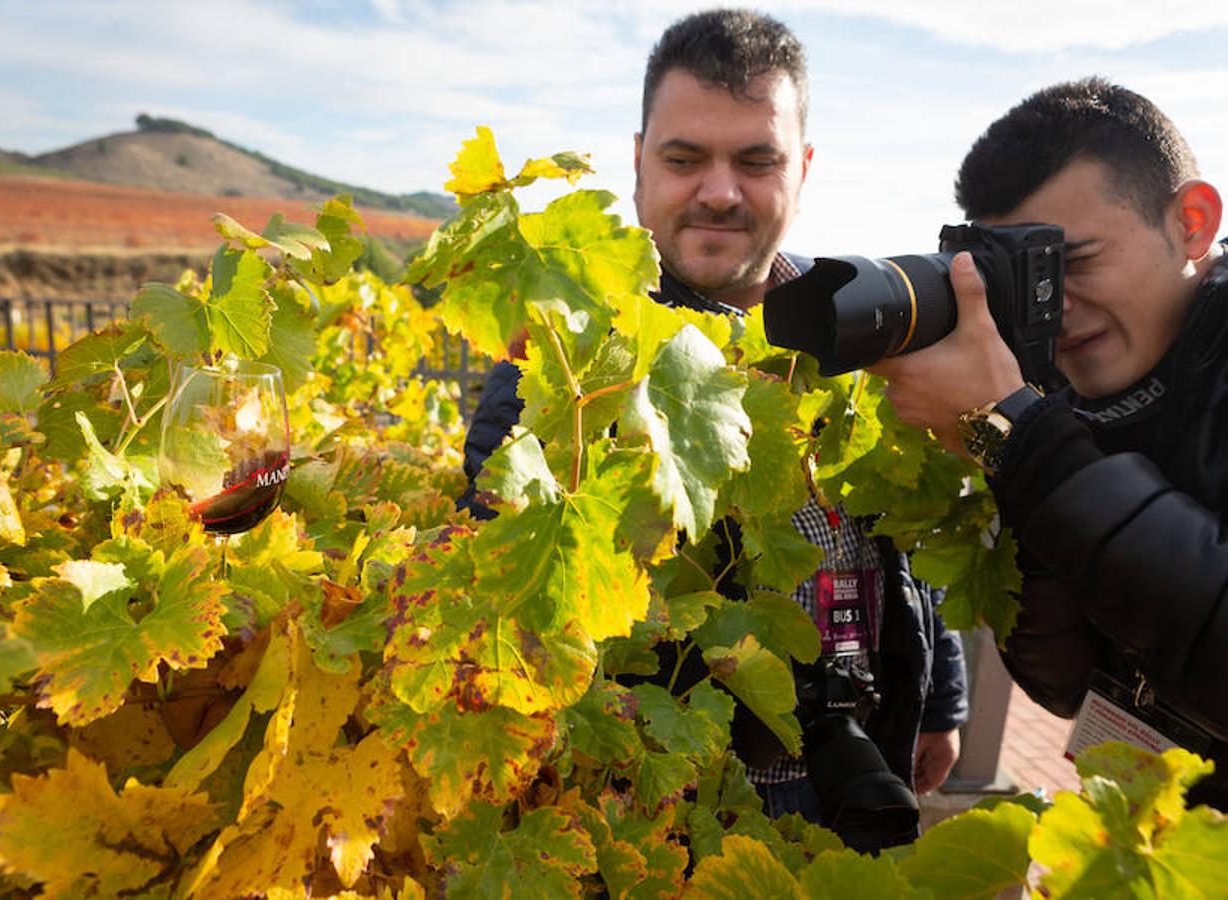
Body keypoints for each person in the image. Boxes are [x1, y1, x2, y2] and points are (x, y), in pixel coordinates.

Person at [459, 9, 968, 844]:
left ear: (802, 169)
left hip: (859, 773)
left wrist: (941, 696)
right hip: (667, 803)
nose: (722, 191)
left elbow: (906, 529)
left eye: (757, 160)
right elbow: (504, 583)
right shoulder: (565, 355)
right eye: (685, 158)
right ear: (638, 166)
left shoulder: (864, 322)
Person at [870, 77, 1228, 809]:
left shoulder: (1041, 425)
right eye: (1028, 276)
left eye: (1077, 260)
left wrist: (1021, 443)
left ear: (1192, 222)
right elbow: (1063, 683)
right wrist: (1020, 446)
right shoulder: (1070, 401)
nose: (1054, 309)